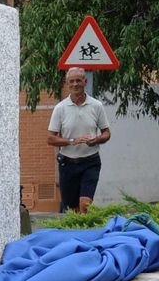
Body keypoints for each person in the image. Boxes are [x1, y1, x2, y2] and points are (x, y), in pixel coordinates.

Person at [47, 67, 111, 214]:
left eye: (78, 80)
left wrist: (96, 139)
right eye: (72, 81)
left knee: (85, 204)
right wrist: (71, 141)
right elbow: (50, 138)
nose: (75, 84)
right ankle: (76, 233)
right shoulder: (60, 108)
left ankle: (87, 232)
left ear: (85, 82)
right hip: (68, 163)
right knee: (71, 209)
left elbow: (107, 133)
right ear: (67, 84)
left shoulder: (96, 105)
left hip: (90, 162)